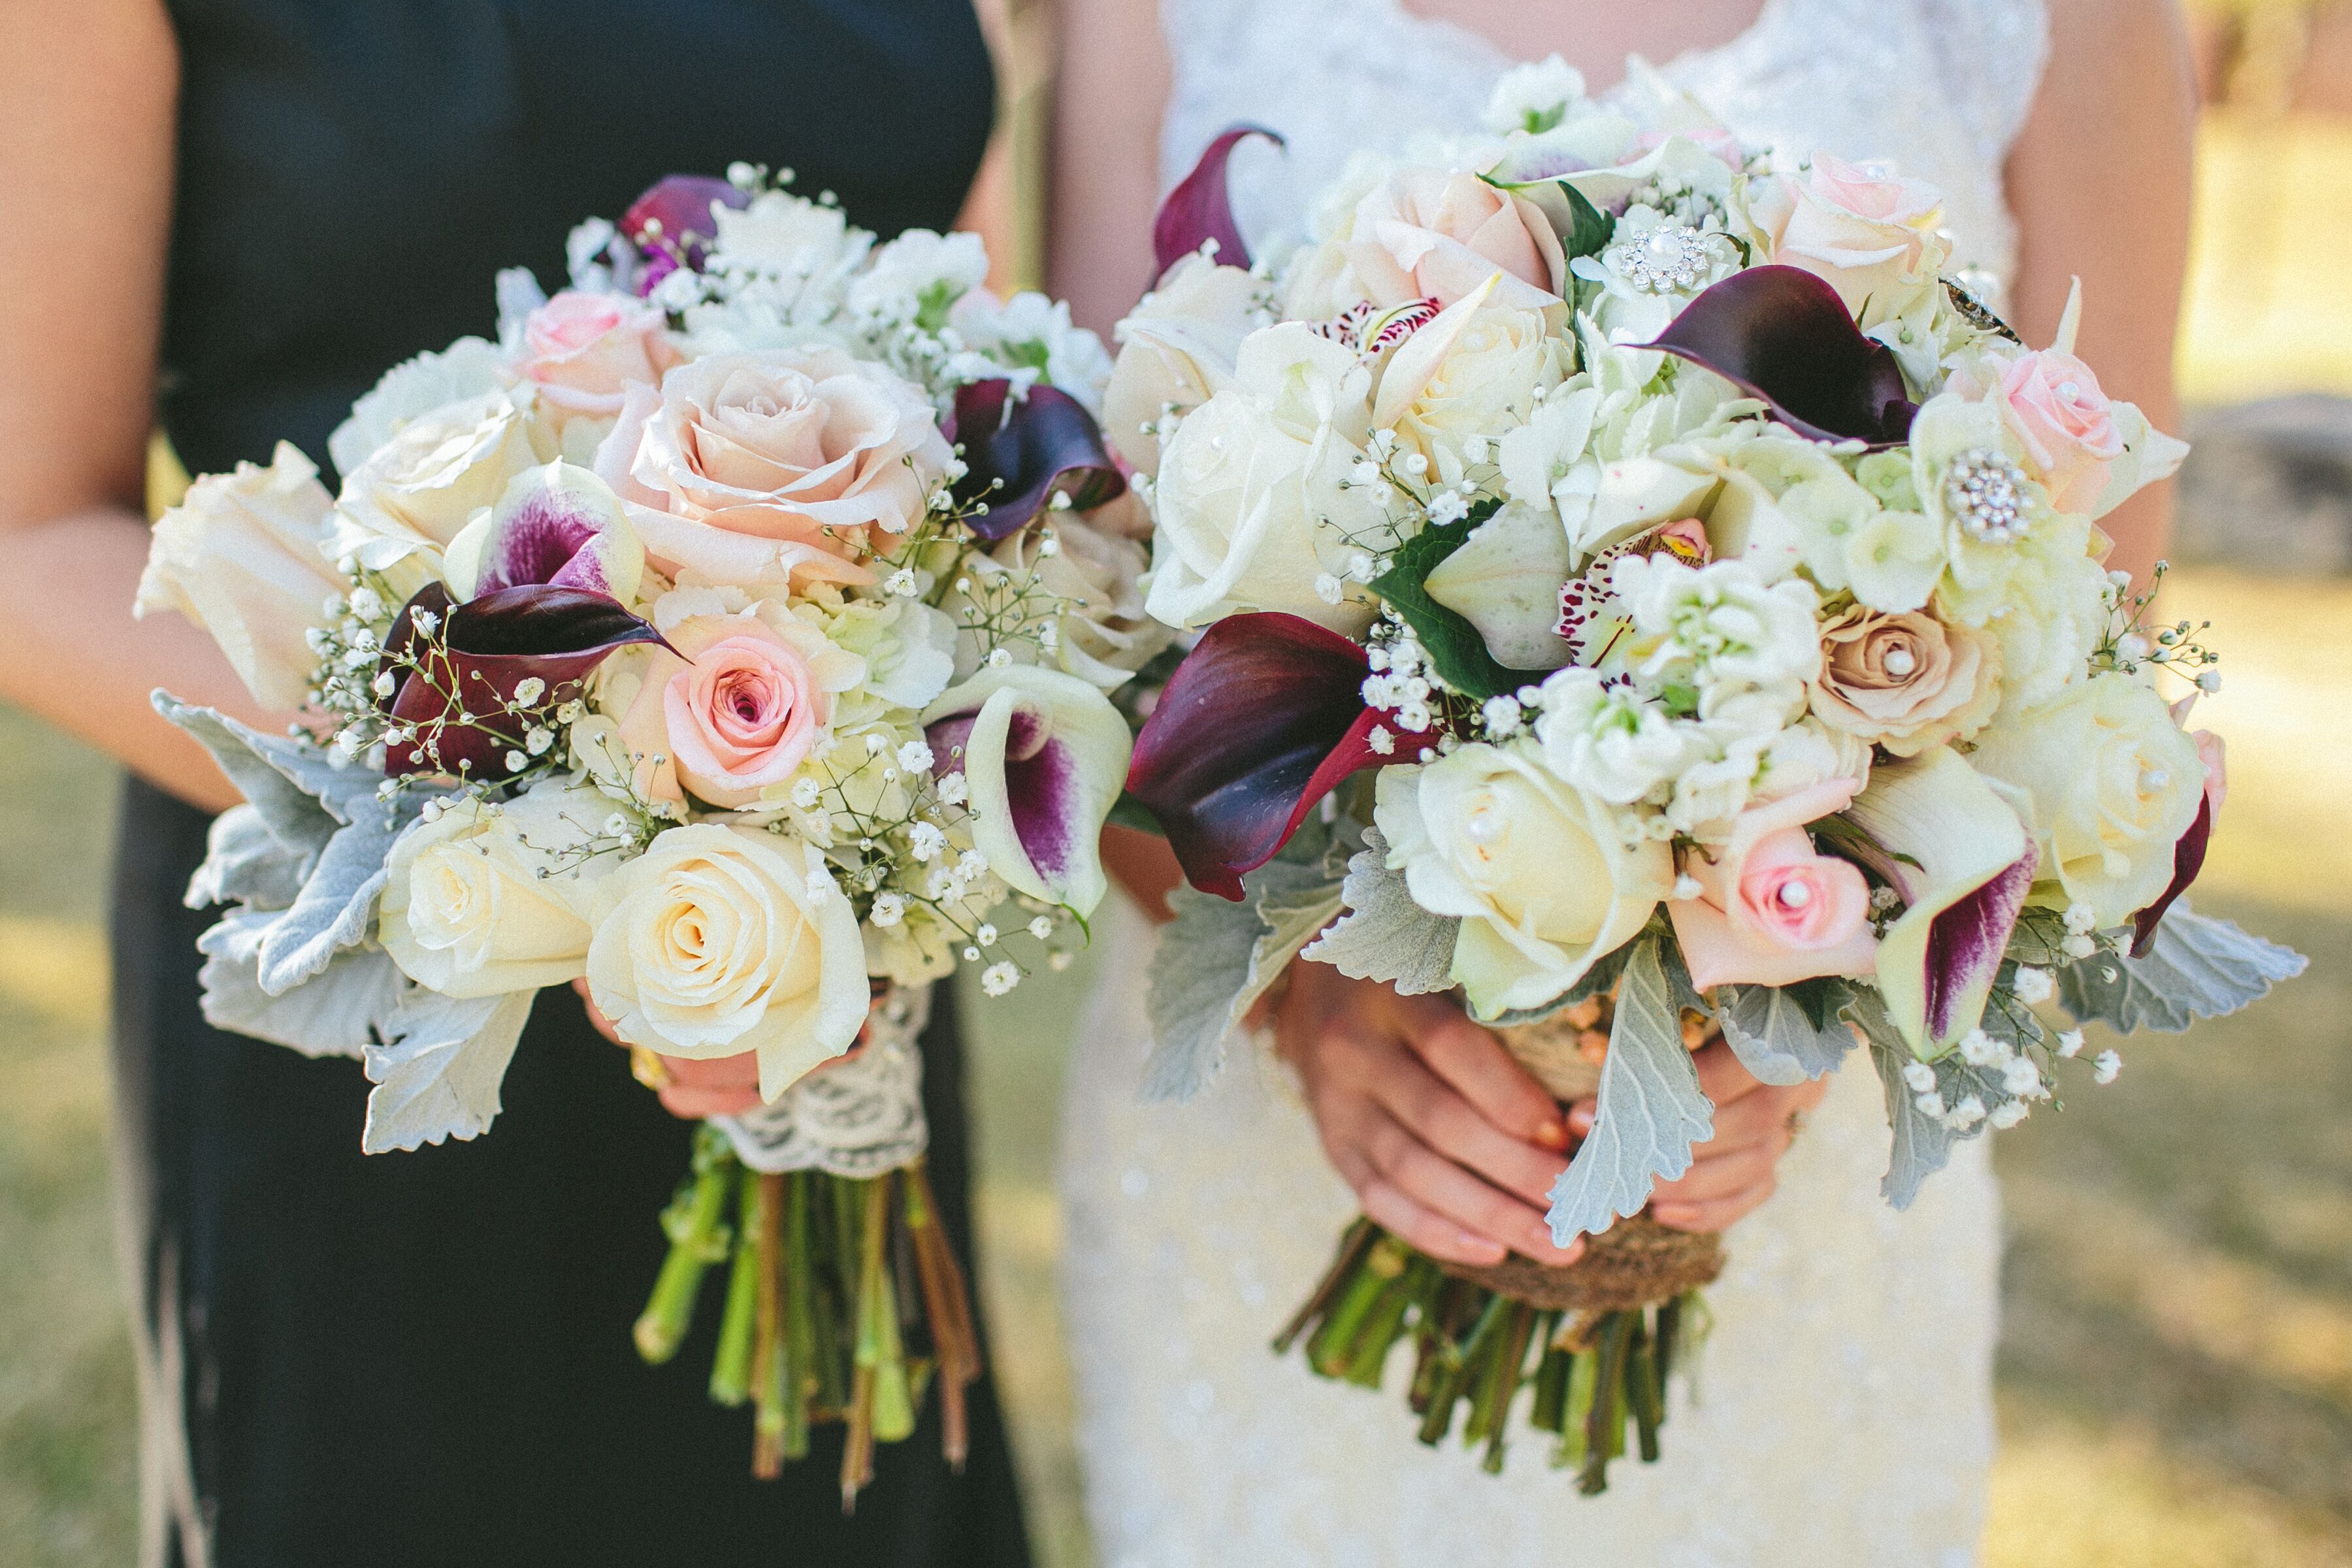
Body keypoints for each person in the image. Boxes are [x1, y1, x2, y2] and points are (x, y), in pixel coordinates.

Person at [1049, 0, 2195, 1561]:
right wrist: (1307, 1004)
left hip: (1795, 1186)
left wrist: (1799, 982)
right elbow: (1097, 635)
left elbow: (2092, 620)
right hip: (1287, 1163)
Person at [0, 5, 1033, 1565]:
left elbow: (977, 364)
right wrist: (551, 813)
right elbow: (26, 536)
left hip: (816, 972)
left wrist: (838, 769)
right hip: (377, 1002)